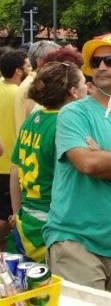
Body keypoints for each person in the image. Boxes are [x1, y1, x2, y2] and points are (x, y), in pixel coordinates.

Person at [43, 36, 111, 296]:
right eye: (96, 61)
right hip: (76, 241)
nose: (101, 67)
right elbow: (87, 163)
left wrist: (109, 161)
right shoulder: (73, 113)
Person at [10, 58, 87, 261]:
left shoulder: (32, 120)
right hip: (52, 223)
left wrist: (17, 213)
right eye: (84, 83)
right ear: (73, 91)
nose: (88, 87)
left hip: (27, 220)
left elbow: (15, 170)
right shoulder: (66, 125)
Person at [0, 49, 31, 244]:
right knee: (9, 217)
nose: (30, 69)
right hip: (13, 163)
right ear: (19, 71)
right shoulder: (22, 94)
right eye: (28, 65)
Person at [15, 40, 60, 132]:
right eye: (55, 58)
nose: (59, 63)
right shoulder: (37, 84)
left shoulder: (31, 81)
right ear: (40, 61)